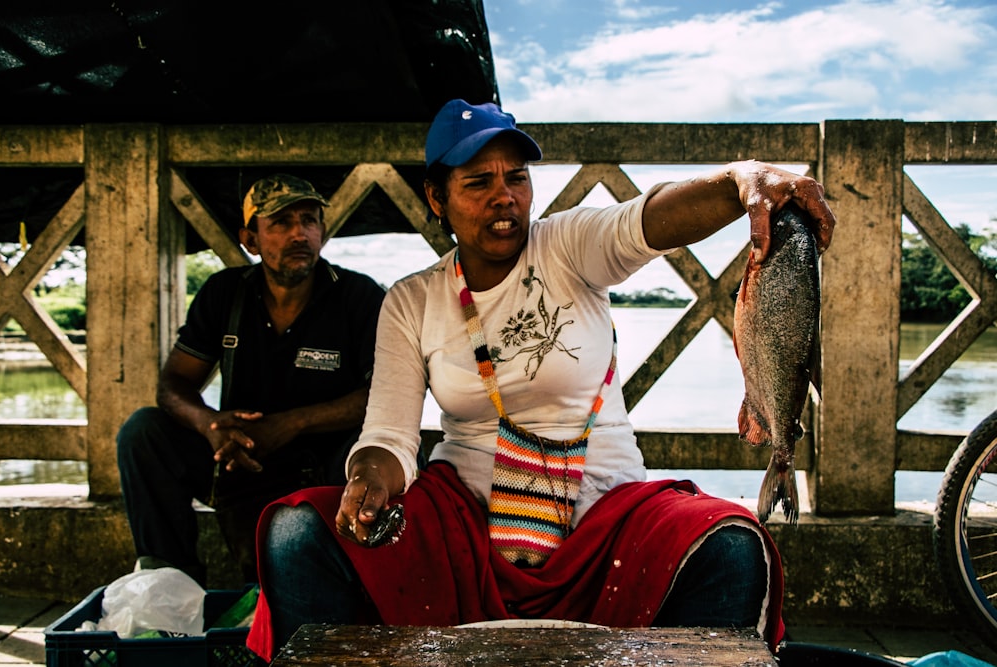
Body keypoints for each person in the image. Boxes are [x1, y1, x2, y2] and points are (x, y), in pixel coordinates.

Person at [245, 100, 837, 660]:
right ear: (436, 197)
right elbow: (390, 438)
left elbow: (650, 218)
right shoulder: (411, 299)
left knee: (732, 546)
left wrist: (739, 180)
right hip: (465, 529)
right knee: (296, 533)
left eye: (517, 178)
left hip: (607, 518)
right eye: (478, 183)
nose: (504, 197)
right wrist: (369, 481)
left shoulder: (568, 244)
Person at [116, 173, 386, 586]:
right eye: (280, 223)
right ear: (251, 239)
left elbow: (383, 395)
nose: (299, 233)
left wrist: (292, 423)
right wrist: (209, 426)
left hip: (323, 464)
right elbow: (173, 384)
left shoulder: (358, 296)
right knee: (143, 432)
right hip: (240, 455)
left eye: (309, 220)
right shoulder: (225, 293)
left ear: (323, 232)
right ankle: (170, 585)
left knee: (368, 451)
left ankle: (362, 585)